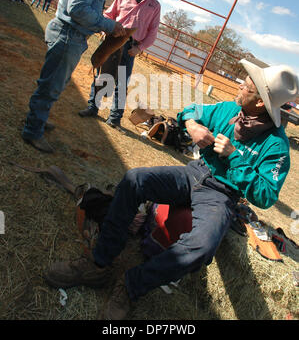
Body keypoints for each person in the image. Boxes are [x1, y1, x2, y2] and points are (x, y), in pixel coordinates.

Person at [44, 58, 298, 320]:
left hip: (222, 194)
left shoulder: (276, 146)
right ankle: (98, 263)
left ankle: (132, 285)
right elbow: (190, 110)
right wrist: (193, 126)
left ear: (259, 102)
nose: (239, 87)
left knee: (202, 246)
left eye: (245, 86)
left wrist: (234, 157)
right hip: (194, 173)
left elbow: (266, 196)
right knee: (134, 179)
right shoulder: (229, 109)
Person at [22, 0, 137, 153]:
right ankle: (32, 129)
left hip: (70, 36)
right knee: (51, 85)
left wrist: (105, 22)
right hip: (68, 35)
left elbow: (84, 7)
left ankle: (37, 120)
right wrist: (110, 25)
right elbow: (77, 9)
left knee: (55, 83)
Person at [78, 0, 162, 131]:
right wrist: (105, 28)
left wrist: (140, 48)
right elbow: (109, 14)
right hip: (113, 40)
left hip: (131, 46)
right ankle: (93, 107)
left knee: (122, 82)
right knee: (103, 76)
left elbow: (153, 32)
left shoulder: (154, 5)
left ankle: (114, 118)